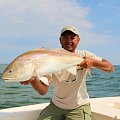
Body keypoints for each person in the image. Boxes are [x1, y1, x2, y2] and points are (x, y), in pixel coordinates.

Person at [21, 25, 114, 120]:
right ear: (60, 40)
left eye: (72, 37)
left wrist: (93, 62)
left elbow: (110, 67)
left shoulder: (84, 55)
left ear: (78, 40)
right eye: (65, 37)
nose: (68, 41)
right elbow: (43, 91)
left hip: (78, 106)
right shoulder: (50, 58)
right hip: (56, 105)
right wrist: (33, 80)